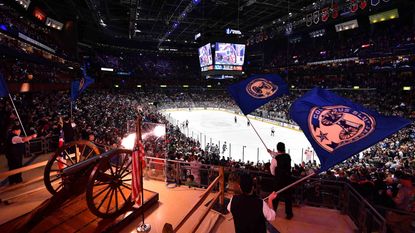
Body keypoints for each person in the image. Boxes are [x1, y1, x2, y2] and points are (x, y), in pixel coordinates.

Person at [267, 142, 294, 219]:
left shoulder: (275, 159)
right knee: (288, 198)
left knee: (275, 197)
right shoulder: (288, 156)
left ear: (277, 149)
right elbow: (280, 155)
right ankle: (289, 214)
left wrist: (277, 174)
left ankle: (273, 212)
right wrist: (271, 152)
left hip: (278, 181)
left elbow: (272, 171)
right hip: (288, 180)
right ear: (284, 148)